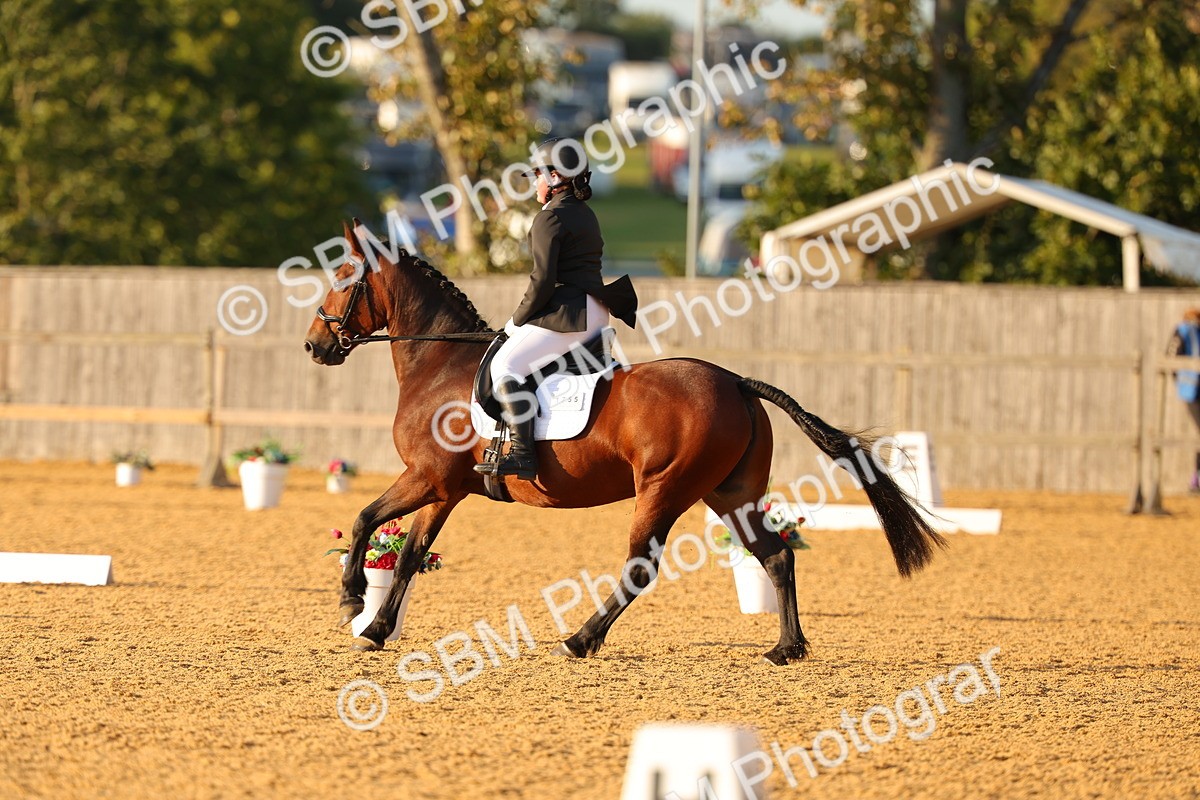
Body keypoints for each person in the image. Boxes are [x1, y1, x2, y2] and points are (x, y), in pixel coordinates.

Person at [474, 138, 639, 481]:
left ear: (554, 177)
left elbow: (542, 282)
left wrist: (514, 322)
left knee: (506, 364)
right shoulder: (584, 213)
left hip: (568, 315)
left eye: (537, 174)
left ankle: (522, 454)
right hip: (595, 312)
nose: (534, 182)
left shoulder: (549, 218)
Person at [1167, 307, 1200, 493]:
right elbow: (1171, 359)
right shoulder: (1184, 330)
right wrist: (1181, 381)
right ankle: (1196, 480)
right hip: (1192, 390)